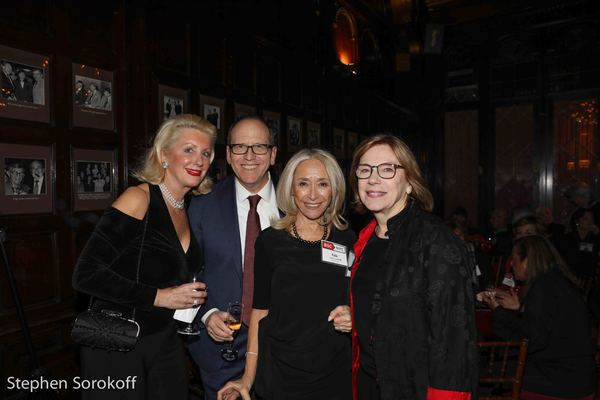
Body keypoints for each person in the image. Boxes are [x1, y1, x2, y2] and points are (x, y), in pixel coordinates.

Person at [72, 114, 215, 400]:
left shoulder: (188, 208)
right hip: (118, 341)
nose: (198, 160)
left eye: (206, 152)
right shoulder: (139, 198)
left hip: (165, 339)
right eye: (188, 149)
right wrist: (159, 297)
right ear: (164, 155)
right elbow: (85, 274)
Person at [217, 148, 355, 400]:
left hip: (334, 373)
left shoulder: (348, 240)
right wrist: (248, 377)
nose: (313, 194)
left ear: (334, 189)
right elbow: (259, 311)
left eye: (322, 184)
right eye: (303, 183)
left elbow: (359, 298)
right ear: (291, 189)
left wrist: (352, 315)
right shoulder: (270, 241)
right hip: (280, 374)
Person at [348, 134, 478, 400]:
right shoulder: (365, 239)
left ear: (409, 182)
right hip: (369, 385)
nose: (373, 178)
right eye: (365, 170)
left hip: (414, 389)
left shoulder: (437, 242)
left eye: (387, 169)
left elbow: (453, 343)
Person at [188, 116, 278, 400]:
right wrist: (207, 313)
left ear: (273, 154)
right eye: (239, 147)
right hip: (222, 352)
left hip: (284, 350)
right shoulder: (201, 204)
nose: (249, 156)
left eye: (259, 147)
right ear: (227, 155)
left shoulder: (299, 202)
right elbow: (185, 271)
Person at [479, 235, 597, 399]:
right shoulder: (556, 280)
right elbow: (551, 324)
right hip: (580, 376)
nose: (511, 264)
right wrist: (520, 309)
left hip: (563, 381)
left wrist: (498, 310)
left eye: (514, 259)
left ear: (527, 261)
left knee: (489, 378)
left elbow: (531, 340)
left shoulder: (543, 286)